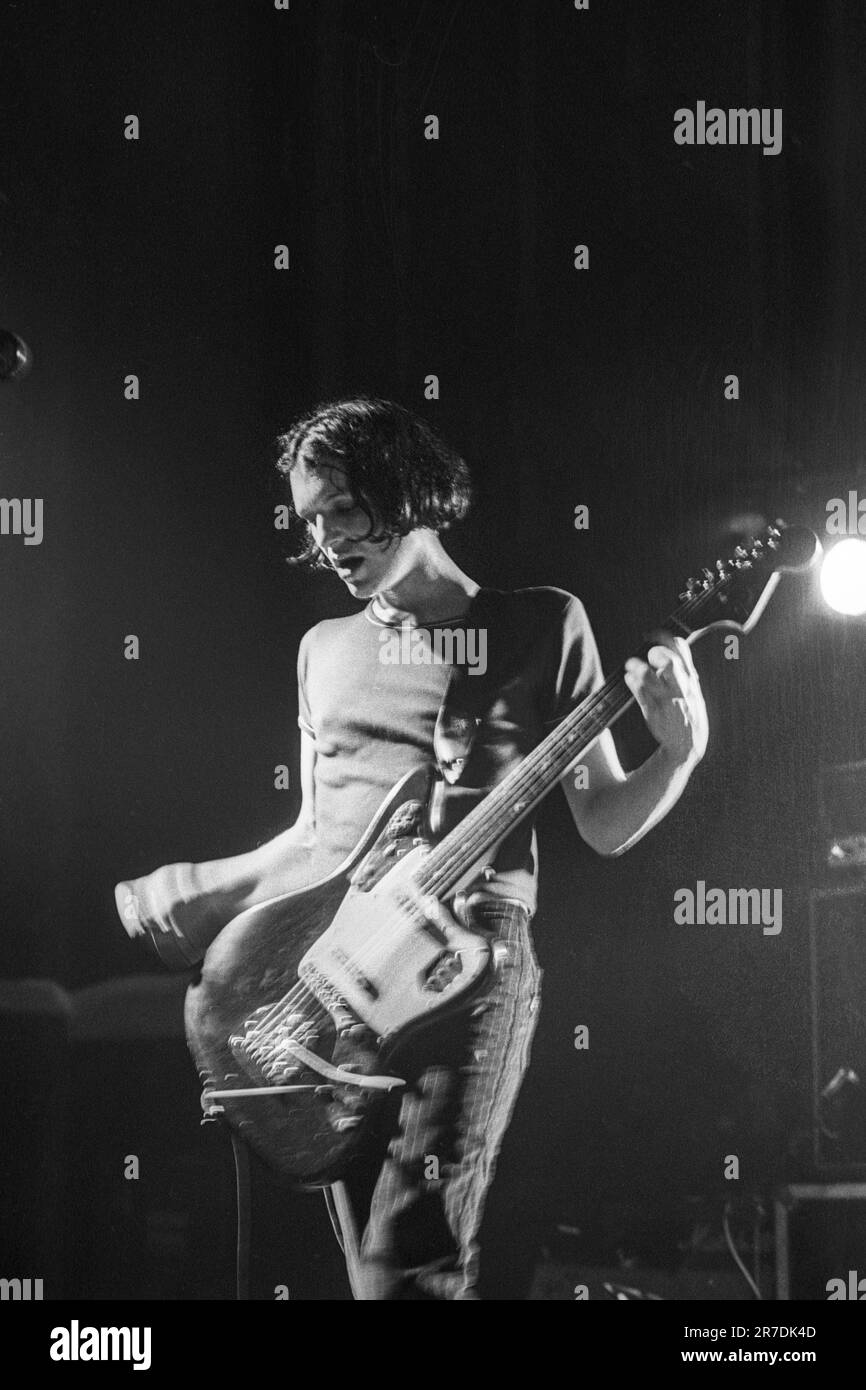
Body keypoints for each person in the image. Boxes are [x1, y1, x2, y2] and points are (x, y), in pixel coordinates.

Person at [116, 396, 708, 1300]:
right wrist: (206, 886)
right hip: (337, 967)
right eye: (308, 521)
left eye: (341, 509)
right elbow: (318, 843)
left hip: (470, 967)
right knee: (345, 1273)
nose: (324, 541)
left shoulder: (545, 623)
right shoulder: (324, 650)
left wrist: (680, 752)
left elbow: (602, 821)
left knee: (409, 1265)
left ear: (407, 490)